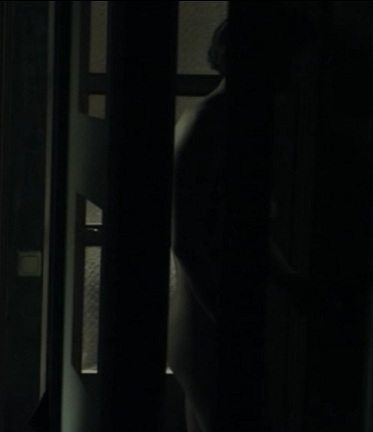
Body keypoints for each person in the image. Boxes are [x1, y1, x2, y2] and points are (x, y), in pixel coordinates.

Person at [168, 19, 228, 432]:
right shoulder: (209, 123)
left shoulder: (216, 120)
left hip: (201, 314)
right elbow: (186, 239)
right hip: (204, 317)